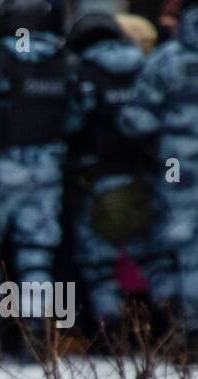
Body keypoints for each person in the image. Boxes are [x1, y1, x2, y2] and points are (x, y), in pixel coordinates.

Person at [0, 0, 84, 356]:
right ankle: (36, 335)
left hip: (0, 169)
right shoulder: (66, 63)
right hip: (47, 169)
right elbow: (77, 119)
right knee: (37, 255)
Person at [118, 0, 198, 352]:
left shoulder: (167, 58)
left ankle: (196, 334)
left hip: (183, 173)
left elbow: (136, 121)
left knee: (193, 253)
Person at [65, 13, 164, 338]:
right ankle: (178, 328)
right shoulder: (148, 65)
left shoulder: (80, 72)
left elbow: (71, 124)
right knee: (155, 260)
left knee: (98, 265)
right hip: (145, 178)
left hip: (96, 178)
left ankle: (112, 333)